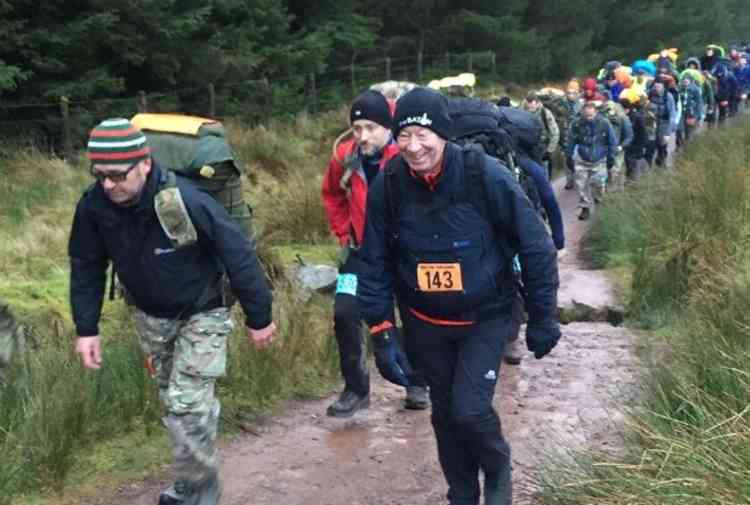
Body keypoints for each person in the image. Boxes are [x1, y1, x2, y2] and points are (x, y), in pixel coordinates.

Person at [356, 87, 560, 505]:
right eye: (404, 136)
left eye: (423, 135)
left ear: (444, 134)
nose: (413, 147)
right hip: (424, 322)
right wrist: (381, 330)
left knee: (470, 410)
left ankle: (498, 471)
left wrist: (543, 316)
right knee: (445, 416)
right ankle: (461, 494)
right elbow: (373, 260)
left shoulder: (483, 174)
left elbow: (534, 245)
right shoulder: (389, 186)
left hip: (484, 317)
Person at [70, 118, 276, 505]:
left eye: (118, 175)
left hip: (204, 310)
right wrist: (87, 328)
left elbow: (237, 251)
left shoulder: (185, 198)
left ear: (144, 163)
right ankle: (189, 482)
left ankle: (202, 493)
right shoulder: (94, 206)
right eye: (101, 175)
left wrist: (259, 315)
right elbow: (85, 264)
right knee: (173, 401)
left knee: (188, 404)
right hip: (150, 315)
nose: (109, 184)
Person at [321, 90, 429, 417]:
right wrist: (344, 232)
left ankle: (416, 381)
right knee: (344, 313)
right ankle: (355, 389)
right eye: (357, 129)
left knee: (413, 313)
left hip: (404, 254)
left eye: (370, 128)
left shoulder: (407, 157)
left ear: (387, 127)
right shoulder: (344, 156)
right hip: (359, 253)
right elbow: (332, 195)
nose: (363, 136)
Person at [520, 92, 559, 180]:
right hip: (527, 148)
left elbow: (555, 132)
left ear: (537, 103)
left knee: (544, 172)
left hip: (542, 147)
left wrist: (550, 151)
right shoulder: (521, 111)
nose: (530, 109)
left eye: (532, 106)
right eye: (528, 106)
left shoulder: (545, 113)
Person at [601, 100, 633, 192]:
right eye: (607, 110)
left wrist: (621, 147)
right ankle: (607, 191)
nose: (609, 112)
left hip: (617, 150)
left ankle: (616, 191)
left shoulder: (623, 118)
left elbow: (629, 136)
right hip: (604, 150)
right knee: (604, 173)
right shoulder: (602, 119)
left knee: (615, 171)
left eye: (610, 109)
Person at [644, 80, 675, 167]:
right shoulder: (648, 94)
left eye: (659, 87)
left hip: (664, 123)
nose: (657, 89)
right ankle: (647, 166)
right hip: (650, 122)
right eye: (655, 87)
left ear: (663, 87)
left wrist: (668, 133)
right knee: (649, 146)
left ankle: (661, 164)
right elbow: (642, 108)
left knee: (662, 146)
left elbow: (672, 114)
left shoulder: (668, 97)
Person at [619, 92, 649, 181]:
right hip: (629, 147)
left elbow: (643, 134)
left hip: (635, 147)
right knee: (629, 167)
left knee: (634, 169)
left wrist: (640, 147)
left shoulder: (636, 118)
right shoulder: (625, 117)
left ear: (626, 109)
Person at [562, 80, 582, 190]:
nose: (571, 95)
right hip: (566, 135)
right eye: (569, 92)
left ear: (578, 93)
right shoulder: (561, 104)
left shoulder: (582, 105)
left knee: (578, 158)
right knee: (567, 158)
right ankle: (569, 180)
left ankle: (579, 179)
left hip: (578, 136)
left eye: (573, 93)